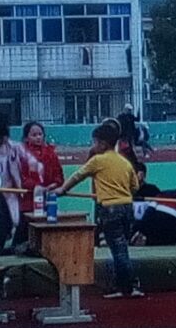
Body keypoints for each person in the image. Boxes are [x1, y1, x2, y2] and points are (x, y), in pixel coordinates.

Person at [58, 120, 144, 298]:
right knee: (122, 247)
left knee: (118, 250)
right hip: (127, 208)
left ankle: (127, 286)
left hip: (110, 208)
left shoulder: (98, 161)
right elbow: (135, 186)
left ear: (103, 144)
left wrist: (62, 190)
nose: (93, 146)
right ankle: (126, 285)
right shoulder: (124, 162)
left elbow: (78, 176)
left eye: (95, 142)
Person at [0, 108, 40, 236]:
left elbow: (31, 159)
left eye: (1, 137)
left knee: (15, 220)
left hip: (9, 192)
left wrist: (35, 166)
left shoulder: (12, 147)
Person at [16, 121, 65, 245]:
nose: (38, 137)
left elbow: (59, 176)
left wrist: (54, 185)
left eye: (40, 134)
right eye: (34, 135)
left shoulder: (51, 153)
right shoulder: (21, 154)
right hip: (28, 201)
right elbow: (20, 177)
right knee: (22, 236)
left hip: (48, 201)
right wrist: (36, 187)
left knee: (46, 234)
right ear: (26, 137)